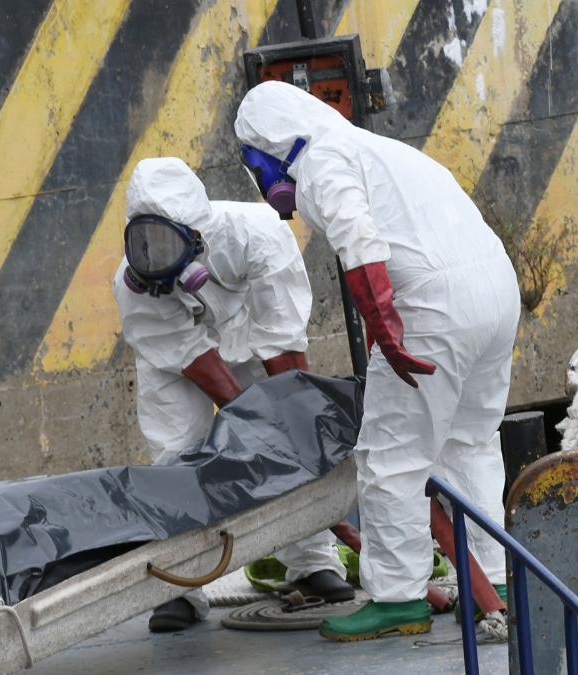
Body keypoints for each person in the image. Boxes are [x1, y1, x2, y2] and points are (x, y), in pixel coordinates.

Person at [235, 81, 520, 641]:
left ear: (271, 147)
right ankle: (498, 579)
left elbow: (361, 244)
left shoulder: (319, 160)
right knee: (472, 443)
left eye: (257, 164)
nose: (266, 181)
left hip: (433, 309)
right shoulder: (385, 150)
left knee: (390, 459)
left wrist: (387, 332)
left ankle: (397, 599)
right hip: (494, 291)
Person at [112, 157, 352, 633]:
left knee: (296, 436)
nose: (154, 253)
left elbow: (283, 344)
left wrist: (286, 420)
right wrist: (253, 422)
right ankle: (182, 588)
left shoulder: (258, 235)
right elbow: (196, 362)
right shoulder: (132, 285)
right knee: (177, 455)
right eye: (145, 243)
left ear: (197, 233)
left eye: (168, 242)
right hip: (177, 362)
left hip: (252, 337)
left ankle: (311, 562)